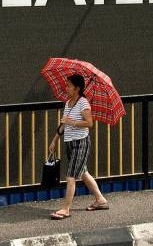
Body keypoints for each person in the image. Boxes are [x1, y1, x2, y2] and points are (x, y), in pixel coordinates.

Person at [48, 73, 109, 219]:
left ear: (77, 88)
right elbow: (63, 123)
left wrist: (72, 122)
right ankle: (100, 200)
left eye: (69, 86)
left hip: (81, 142)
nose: (66, 88)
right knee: (83, 173)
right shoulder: (68, 103)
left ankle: (65, 209)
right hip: (69, 142)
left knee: (71, 175)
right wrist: (55, 139)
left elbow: (89, 123)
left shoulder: (83, 103)